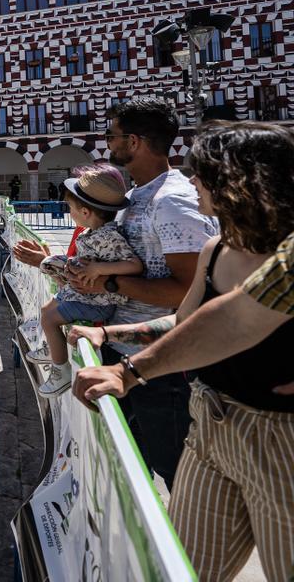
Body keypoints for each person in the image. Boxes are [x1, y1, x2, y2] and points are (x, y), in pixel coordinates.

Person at [72, 121, 294, 581]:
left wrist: (130, 371)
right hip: (211, 424)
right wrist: (112, 335)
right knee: (180, 568)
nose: (192, 180)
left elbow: (235, 319)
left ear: (239, 182)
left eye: (202, 172)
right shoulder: (216, 249)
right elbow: (185, 325)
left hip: (280, 440)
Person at [16, 96, 216, 489]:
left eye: (112, 135)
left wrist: (106, 281)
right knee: (132, 464)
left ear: (135, 142)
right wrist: (52, 264)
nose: (108, 143)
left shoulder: (172, 201)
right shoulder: (133, 199)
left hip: (164, 366)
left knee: (177, 472)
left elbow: (186, 292)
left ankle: (187, 548)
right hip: (123, 354)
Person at [24, 165, 143, 397]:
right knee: (48, 309)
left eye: (71, 207)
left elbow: (134, 265)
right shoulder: (92, 233)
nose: (69, 211)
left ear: (86, 212)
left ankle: (61, 370)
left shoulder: (108, 236)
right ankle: (54, 350)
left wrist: (100, 268)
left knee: (49, 318)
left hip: (97, 303)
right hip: (87, 296)